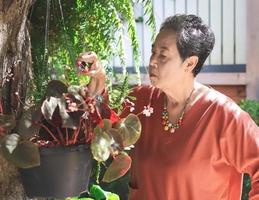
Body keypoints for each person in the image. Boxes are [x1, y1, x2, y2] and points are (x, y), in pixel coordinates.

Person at [77, 14, 259, 200]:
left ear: (189, 63)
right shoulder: (142, 101)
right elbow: (104, 124)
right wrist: (97, 79)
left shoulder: (224, 116)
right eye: (153, 52)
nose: (152, 61)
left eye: (163, 55)